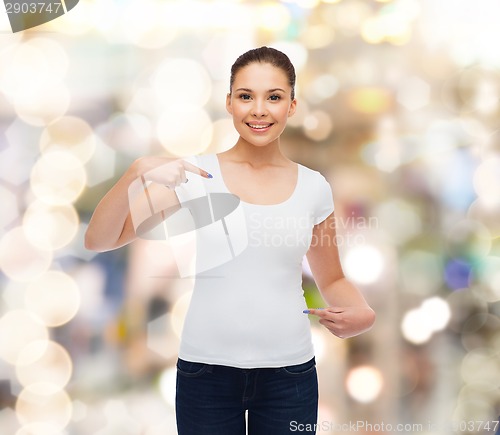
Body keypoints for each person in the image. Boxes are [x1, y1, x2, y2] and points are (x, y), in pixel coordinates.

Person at [85, 46, 375, 435]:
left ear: (291, 105)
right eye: (246, 96)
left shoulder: (313, 188)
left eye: (273, 97)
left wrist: (361, 312)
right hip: (206, 375)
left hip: (289, 376)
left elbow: (333, 279)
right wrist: (136, 173)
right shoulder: (194, 176)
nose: (259, 110)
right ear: (229, 103)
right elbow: (99, 239)